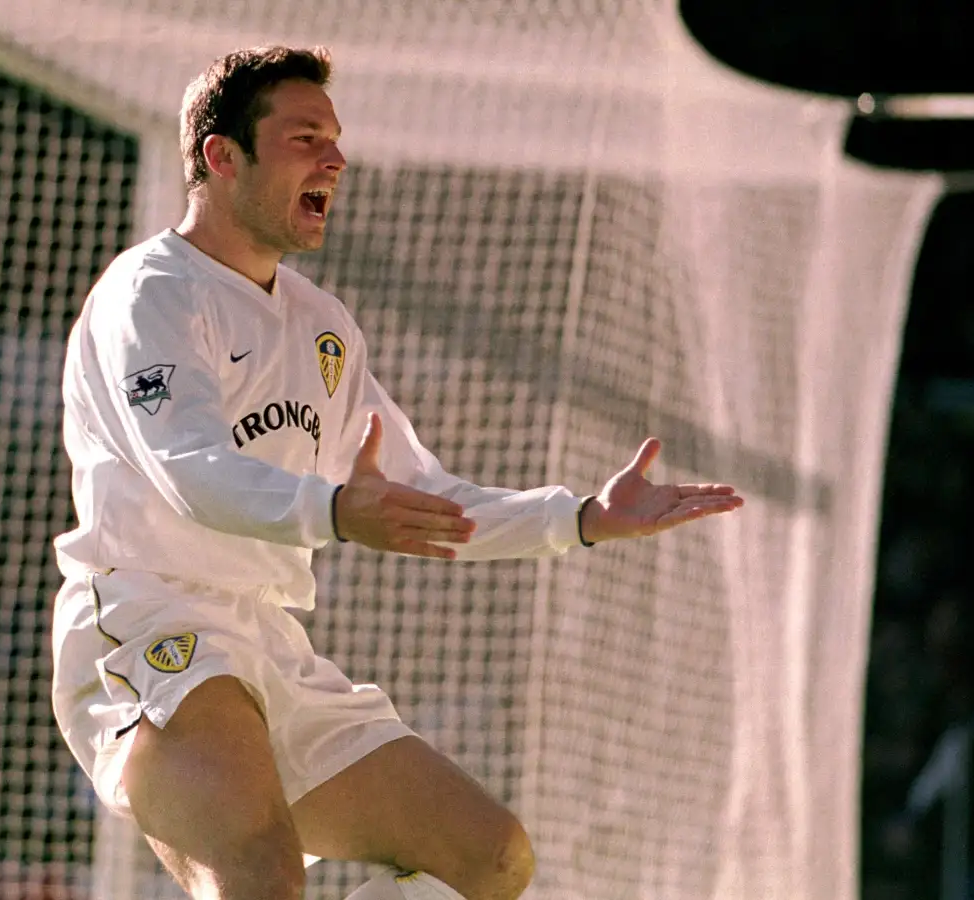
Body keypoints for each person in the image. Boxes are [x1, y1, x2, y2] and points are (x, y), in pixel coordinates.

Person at [51, 45, 744, 900]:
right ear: (221, 157)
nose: (336, 159)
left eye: (335, 139)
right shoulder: (150, 291)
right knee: (261, 878)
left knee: (491, 858)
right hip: (148, 623)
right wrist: (338, 511)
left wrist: (579, 518)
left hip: (268, 641)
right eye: (306, 138)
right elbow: (188, 469)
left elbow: (422, 497)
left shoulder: (322, 326)